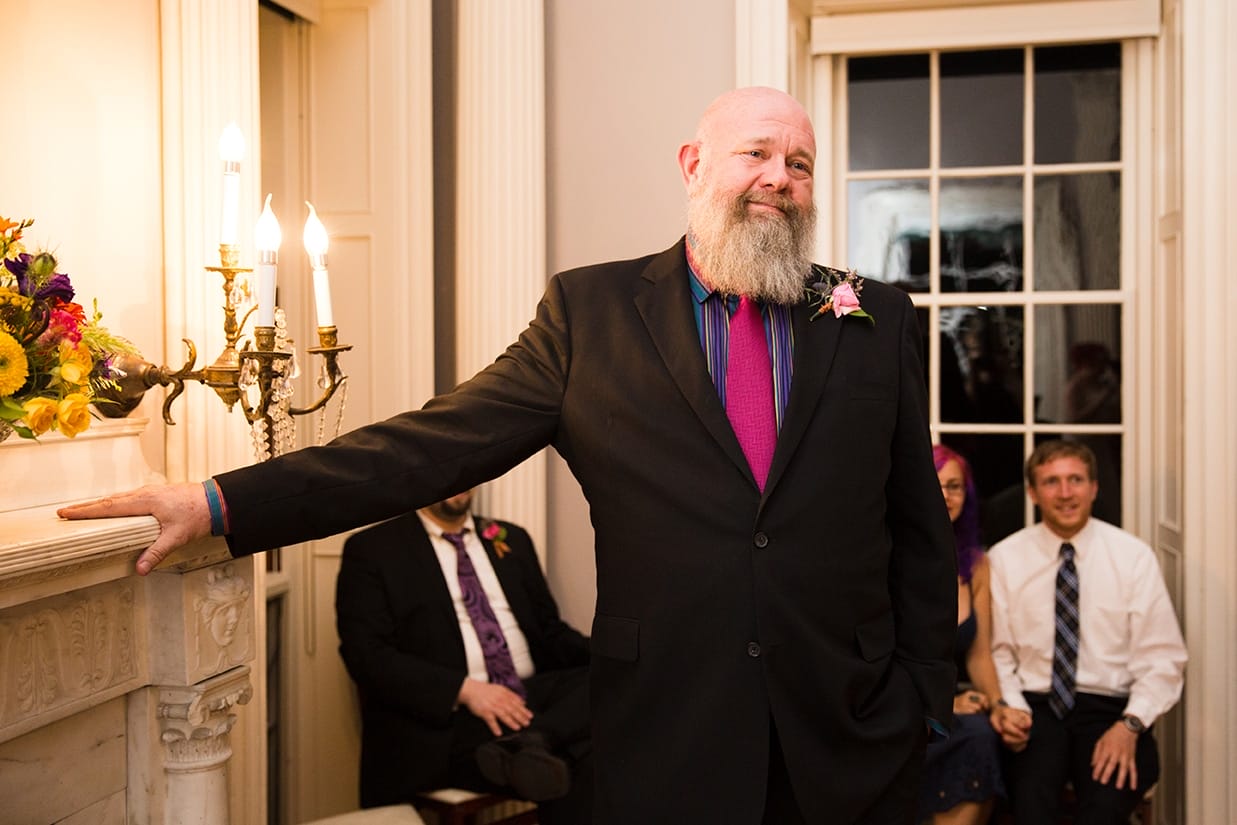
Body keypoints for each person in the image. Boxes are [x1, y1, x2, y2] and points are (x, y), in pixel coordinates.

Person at [59, 86, 957, 825]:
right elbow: (427, 446)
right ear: (692, 165)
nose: (778, 178)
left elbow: (917, 529)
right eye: (755, 153)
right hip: (668, 736)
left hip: (849, 744)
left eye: (798, 163)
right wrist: (219, 501)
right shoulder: (591, 315)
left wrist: (921, 697)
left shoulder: (872, 317)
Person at [335, 489, 591, 824]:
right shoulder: (373, 549)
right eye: (445, 470)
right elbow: (367, 656)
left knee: (606, 678)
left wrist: (616, 654)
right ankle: (540, 743)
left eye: (465, 470)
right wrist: (466, 690)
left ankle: (532, 741)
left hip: (526, 699)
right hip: (447, 721)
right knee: (586, 757)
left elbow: (550, 632)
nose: (459, 481)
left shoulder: (511, 538)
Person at [987, 440, 1187, 825]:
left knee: (1105, 806)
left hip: (1109, 708)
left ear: (1094, 488)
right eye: (1051, 482)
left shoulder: (1133, 557)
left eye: (1076, 480)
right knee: (1030, 803)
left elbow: (1163, 659)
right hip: (1035, 707)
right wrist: (1011, 706)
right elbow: (999, 652)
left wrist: (1131, 724)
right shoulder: (1005, 559)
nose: (1065, 493)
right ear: (1032, 493)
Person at [917, 445, 1005, 825]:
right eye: (935, 485)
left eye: (954, 486)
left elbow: (979, 654)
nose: (946, 495)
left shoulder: (976, 565)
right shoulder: (887, 554)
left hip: (950, 709)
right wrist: (945, 705)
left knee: (984, 734)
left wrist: (1000, 706)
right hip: (894, 707)